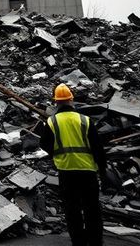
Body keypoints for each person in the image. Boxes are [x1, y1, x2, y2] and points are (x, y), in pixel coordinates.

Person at [39, 83, 106, 246]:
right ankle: (95, 241)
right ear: (71, 100)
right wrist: (103, 171)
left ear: (56, 102)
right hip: (87, 171)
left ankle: (78, 241)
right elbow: (98, 148)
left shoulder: (52, 122)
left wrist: (56, 154)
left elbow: (44, 144)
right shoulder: (85, 120)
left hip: (66, 172)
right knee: (92, 209)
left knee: (72, 209)